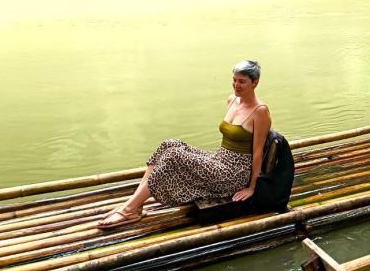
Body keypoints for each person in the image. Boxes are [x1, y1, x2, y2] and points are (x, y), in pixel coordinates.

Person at [97, 60, 271, 228]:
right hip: (219, 159)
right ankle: (135, 205)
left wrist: (252, 187)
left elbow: (257, 152)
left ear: (255, 82)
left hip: (234, 173)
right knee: (169, 144)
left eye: (242, 82)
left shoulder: (260, 111)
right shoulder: (232, 100)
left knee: (174, 156)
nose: (236, 85)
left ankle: (129, 210)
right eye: (234, 80)